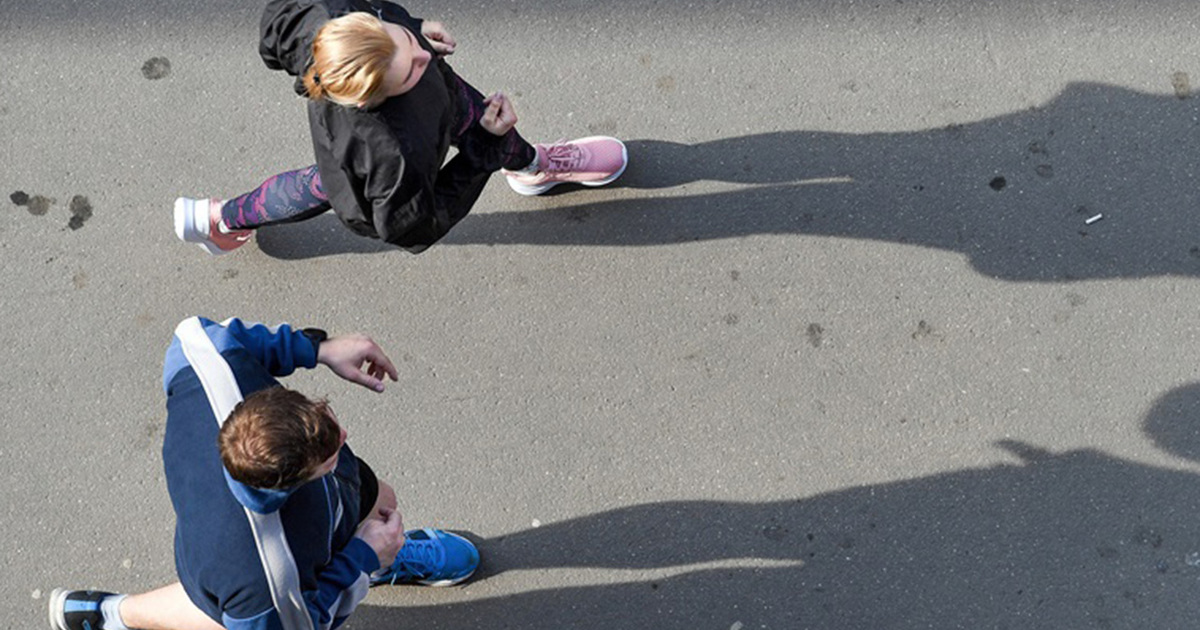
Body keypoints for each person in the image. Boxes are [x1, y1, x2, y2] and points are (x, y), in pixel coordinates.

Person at [49, 317, 479, 630]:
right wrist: (361, 560)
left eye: (323, 413)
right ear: (292, 481)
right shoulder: (265, 578)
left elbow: (201, 335)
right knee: (223, 614)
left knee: (378, 499)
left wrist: (318, 349)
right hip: (235, 579)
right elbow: (303, 623)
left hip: (239, 535)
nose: (345, 435)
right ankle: (110, 615)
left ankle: (380, 550)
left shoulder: (209, 369)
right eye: (329, 455)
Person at [175, 0, 628, 256]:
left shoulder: (329, 17)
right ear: (372, 98)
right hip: (381, 164)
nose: (425, 58)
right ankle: (531, 166)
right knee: (328, 187)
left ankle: (217, 218)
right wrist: (482, 154)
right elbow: (414, 226)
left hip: (397, 127)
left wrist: (411, 25)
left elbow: (275, 36)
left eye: (406, 44)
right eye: (409, 71)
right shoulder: (391, 154)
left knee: (322, 183)